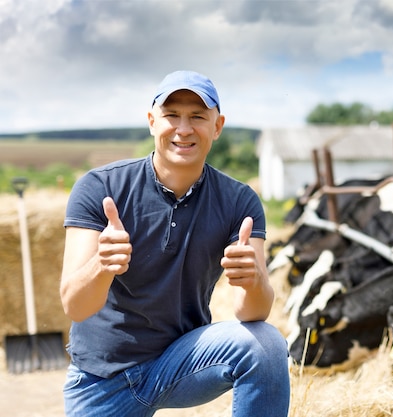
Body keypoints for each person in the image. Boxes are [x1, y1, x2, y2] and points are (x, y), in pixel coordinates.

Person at [59, 70, 290, 417]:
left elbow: (252, 312)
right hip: (102, 377)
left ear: (217, 126)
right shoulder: (99, 188)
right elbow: (75, 307)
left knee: (267, 346)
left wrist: (254, 280)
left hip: (181, 362)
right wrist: (101, 264)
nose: (184, 129)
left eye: (197, 116)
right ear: (152, 121)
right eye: (172, 115)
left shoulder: (239, 201)